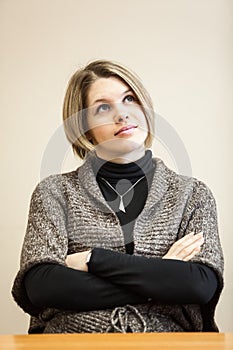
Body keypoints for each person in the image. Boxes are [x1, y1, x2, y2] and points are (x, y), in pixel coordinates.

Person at [12, 60, 224, 334]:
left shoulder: (192, 195)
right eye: (103, 107)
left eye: (129, 99)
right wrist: (162, 273)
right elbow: (42, 286)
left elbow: (199, 284)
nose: (122, 115)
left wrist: (93, 261)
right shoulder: (54, 192)